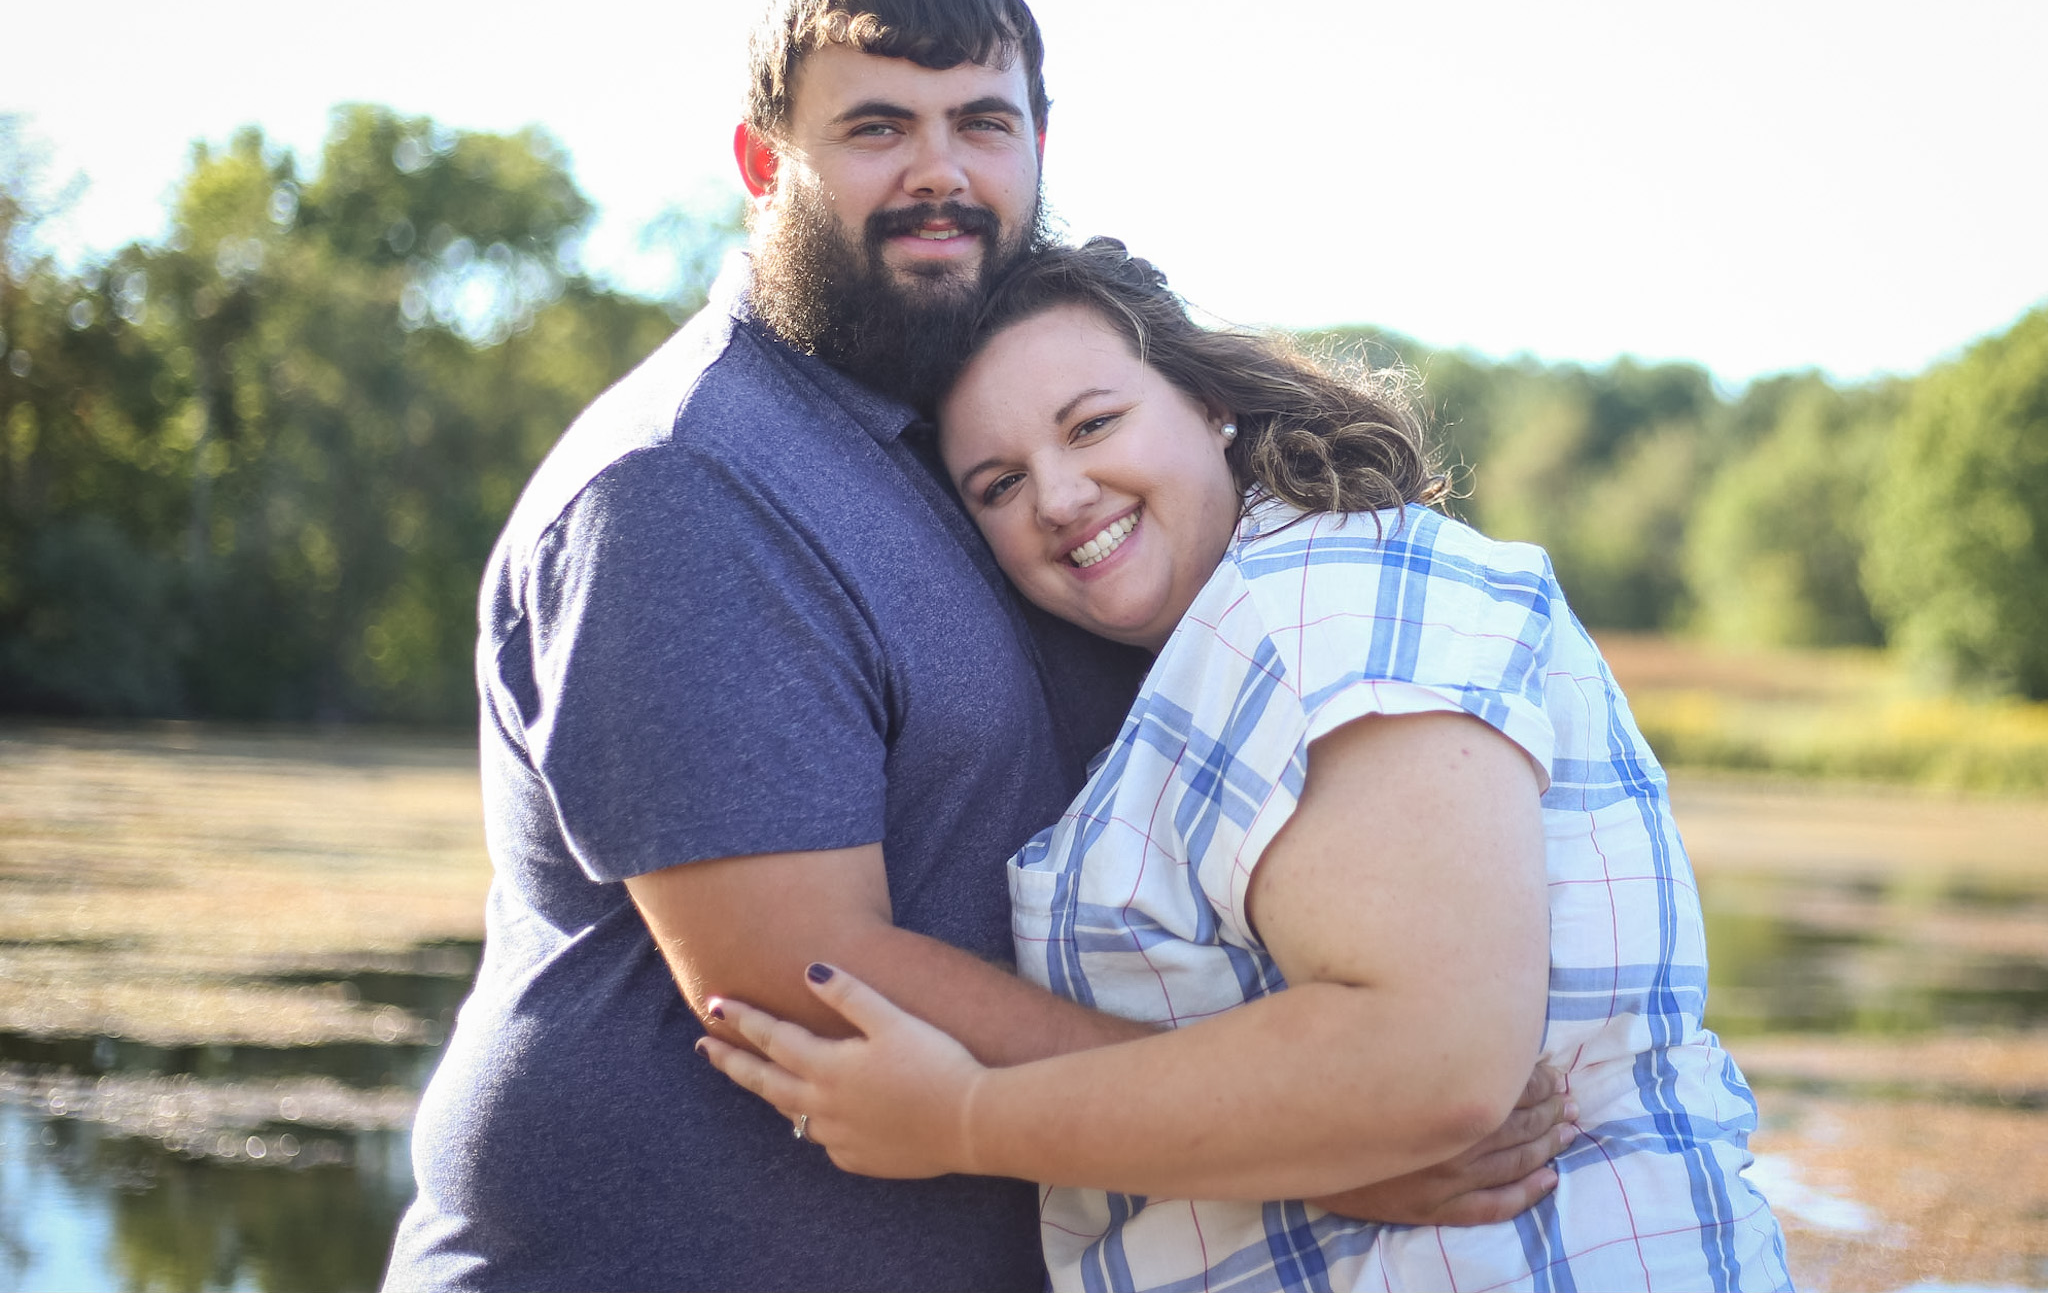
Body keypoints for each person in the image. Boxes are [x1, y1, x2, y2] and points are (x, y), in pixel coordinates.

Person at [384, 0, 1568, 1292]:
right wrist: (1311, 1140)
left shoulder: (986, 442)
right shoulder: (693, 481)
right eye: (877, 127)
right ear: (764, 165)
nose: (938, 172)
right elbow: (800, 972)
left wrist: (1334, 1094)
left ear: (1038, 148)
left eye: (982, 124)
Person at [698, 240, 1796, 1290]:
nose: (1059, 496)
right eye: (998, 484)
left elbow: (1426, 1063)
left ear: (1209, 401)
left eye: (1092, 424)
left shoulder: (1314, 603)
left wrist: (964, 1121)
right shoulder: (1220, 649)